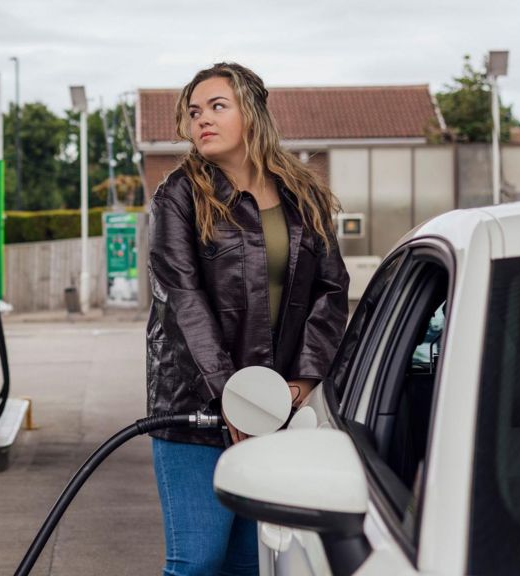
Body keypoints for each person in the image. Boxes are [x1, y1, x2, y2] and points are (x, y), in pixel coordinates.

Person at [146, 62, 350, 575]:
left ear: (252, 114)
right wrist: (232, 395)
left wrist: (303, 378)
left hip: (275, 405)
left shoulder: (303, 194)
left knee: (246, 563)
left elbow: (331, 289)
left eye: (217, 107)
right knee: (198, 560)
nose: (202, 121)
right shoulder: (178, 196)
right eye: (194, 112)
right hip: (194, 406)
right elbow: (183, 299)